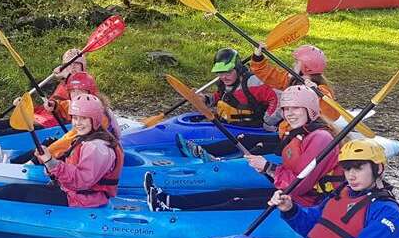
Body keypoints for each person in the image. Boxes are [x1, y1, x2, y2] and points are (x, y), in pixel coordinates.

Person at [146, 85, 342, 212]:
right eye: (287, 109)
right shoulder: (301, 133)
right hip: (296, 197)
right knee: (231, 192)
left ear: (311, 111)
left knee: (236, 199)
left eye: (296, 109)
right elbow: (289, 180)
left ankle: (171, 206)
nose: (290, 114)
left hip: (312, 205)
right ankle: (168, 200)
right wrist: (265, 170)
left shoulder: (320, 138)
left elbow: (299, 184)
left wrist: (267, 167)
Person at [0, 95, 123, 207]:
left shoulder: (98, 147)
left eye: (83, 119)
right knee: (12, 188)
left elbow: (82, 181)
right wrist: (51, 163)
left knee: (17, 191)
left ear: (96, 119)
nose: (77, 123)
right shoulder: (89, 139)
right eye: (75, 118)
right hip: (75, 193)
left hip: (83, 200)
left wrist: (51, 162)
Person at [267, 138, 399, 238]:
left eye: (358, 168)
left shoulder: (388, 211)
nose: (351, 176)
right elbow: (314, 225)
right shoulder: (343, 192)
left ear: (379, 168)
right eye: (347, 169)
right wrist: (290, 209)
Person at [250, 43, 339, 121]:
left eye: (297, 62)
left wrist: (317, 94)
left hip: (306, 130)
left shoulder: (322, 89)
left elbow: (332, 115)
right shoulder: (292, 79)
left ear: (306, 67)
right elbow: (269, 75)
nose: (293, 64)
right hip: (291, 126)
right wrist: (258, 57)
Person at [202, 48, 279, 129]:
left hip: (254, 129)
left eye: (228, 72)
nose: (224, 77)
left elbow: (277, 98)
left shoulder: (252, 83)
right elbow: (221, 96)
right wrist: (206, 99)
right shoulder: (224, 82)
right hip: (229, 126)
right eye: (220, 73)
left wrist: (268, 122)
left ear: (238, 69)